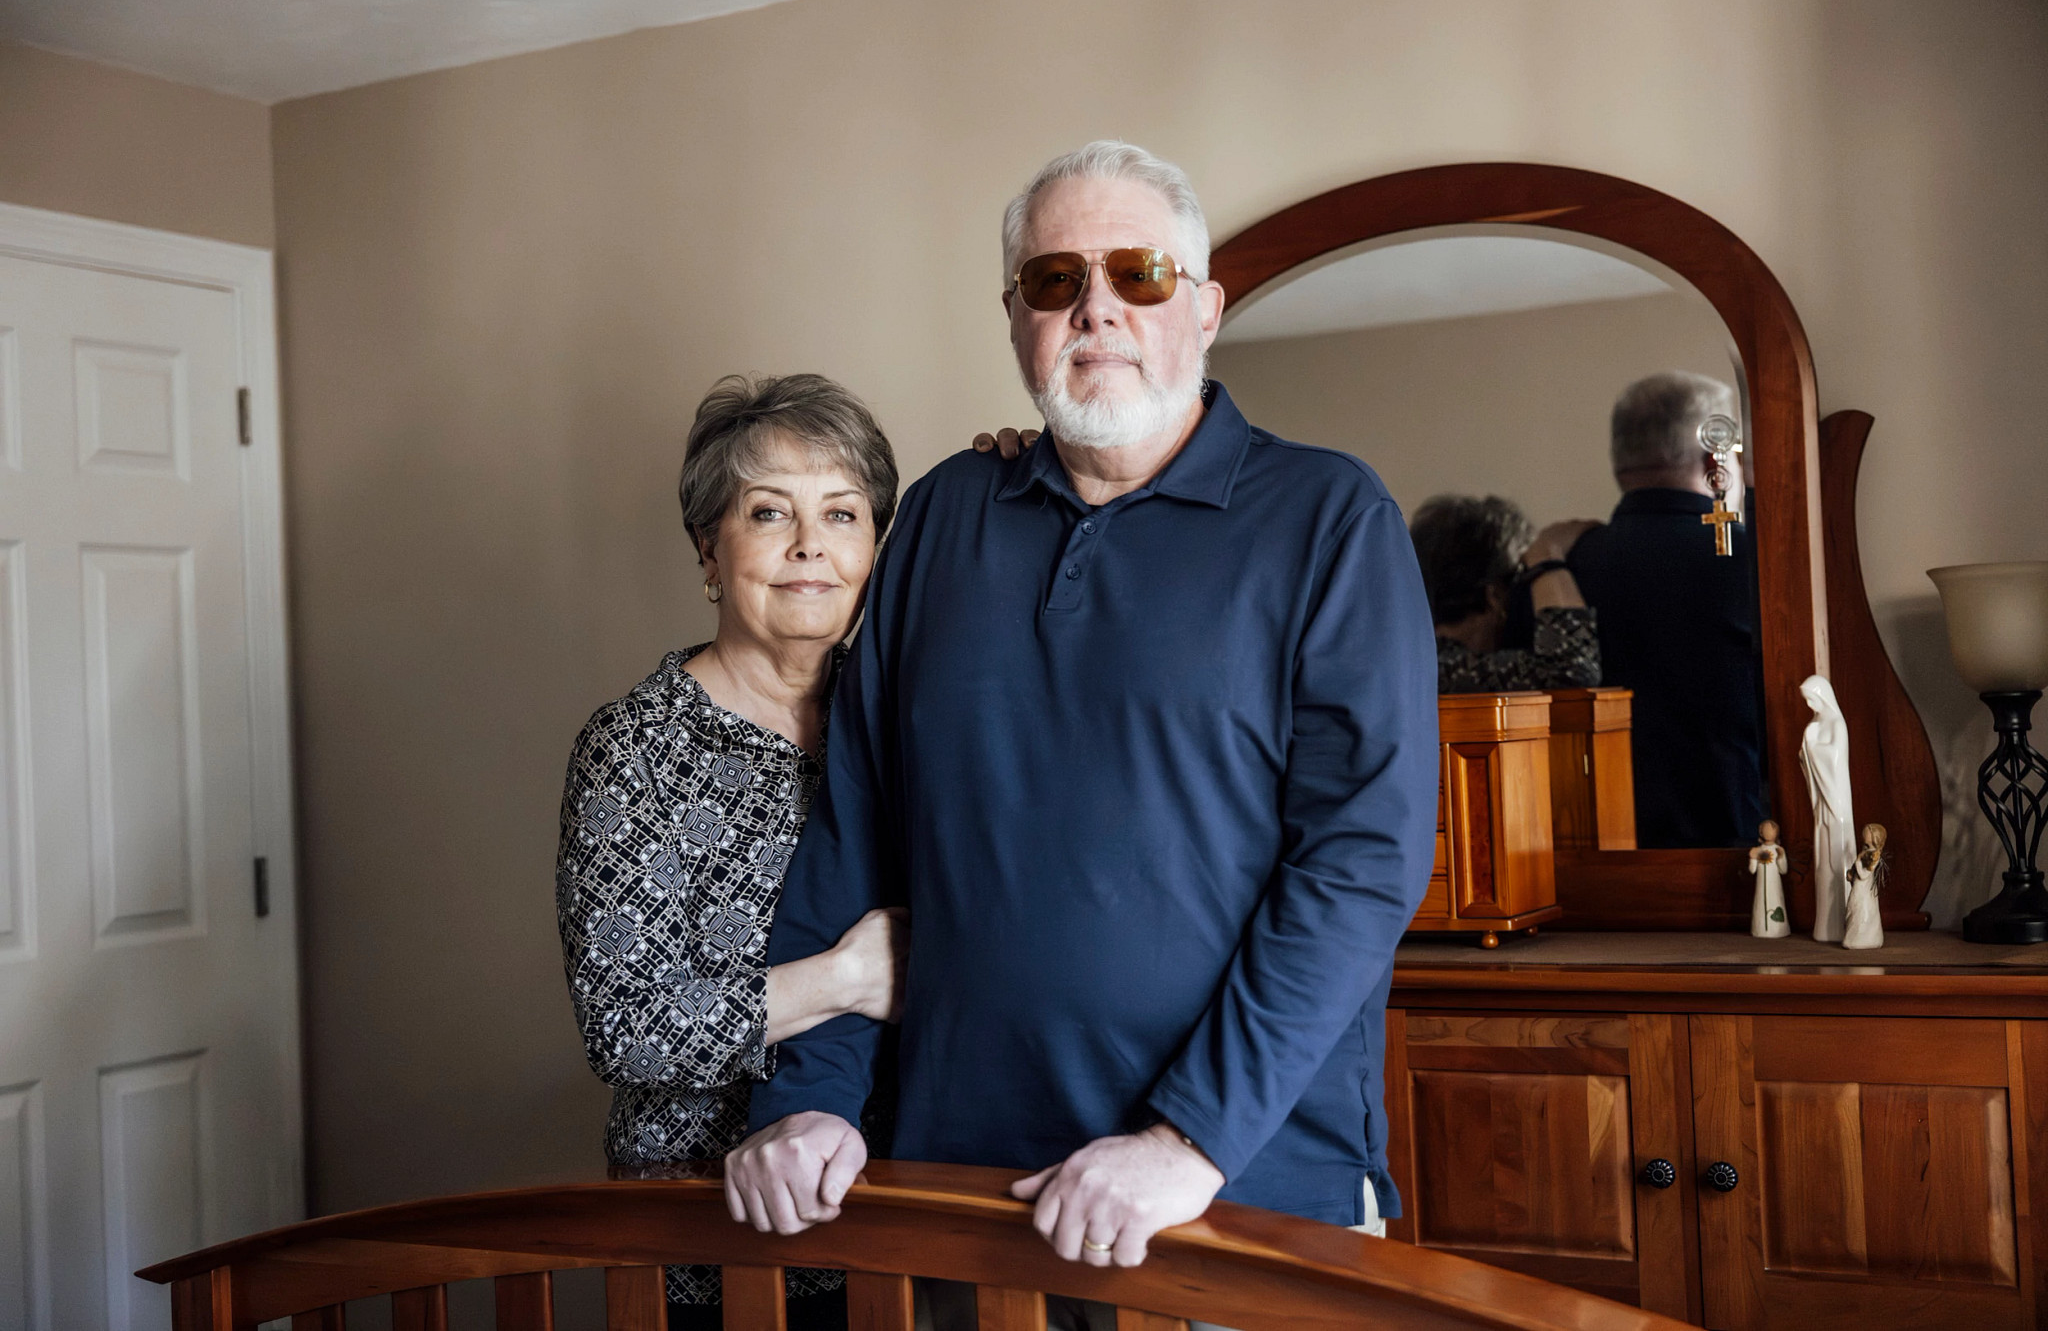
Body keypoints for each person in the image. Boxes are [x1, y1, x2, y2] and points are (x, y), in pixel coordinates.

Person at [723, 140, 1439, 1300]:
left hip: (1237, 1185)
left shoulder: (1327, 518)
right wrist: (808, 1098)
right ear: (1016, 318)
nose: (1094, 308)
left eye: (1138, 274)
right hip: (955, 1177)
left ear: (1202, 310)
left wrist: (1184, 1142)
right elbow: (857, 821)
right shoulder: (949, 513)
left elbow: (1359, 863)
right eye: (1054, 281)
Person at [555, 373, 908, 1331]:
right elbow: (624, 1028)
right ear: (709, 550)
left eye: (842, 513)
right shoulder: (636, 747)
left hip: (895, 1224)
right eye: (768, 512)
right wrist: (842, 980)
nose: (810, 546)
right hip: (710, 1242)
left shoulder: (903, 722)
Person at [1568, 370, 1765, 847]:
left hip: (1594, 856)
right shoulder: (1756, 563)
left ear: (1621, 462)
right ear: (1713, 457)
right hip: (1737, 852)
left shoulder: (1565, 568)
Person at [1408, 494, 1600, 693]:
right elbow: (1570, 670)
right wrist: (1547, 556)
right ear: (1495, 597)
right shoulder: (1441, 669)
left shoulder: (1417, 656)